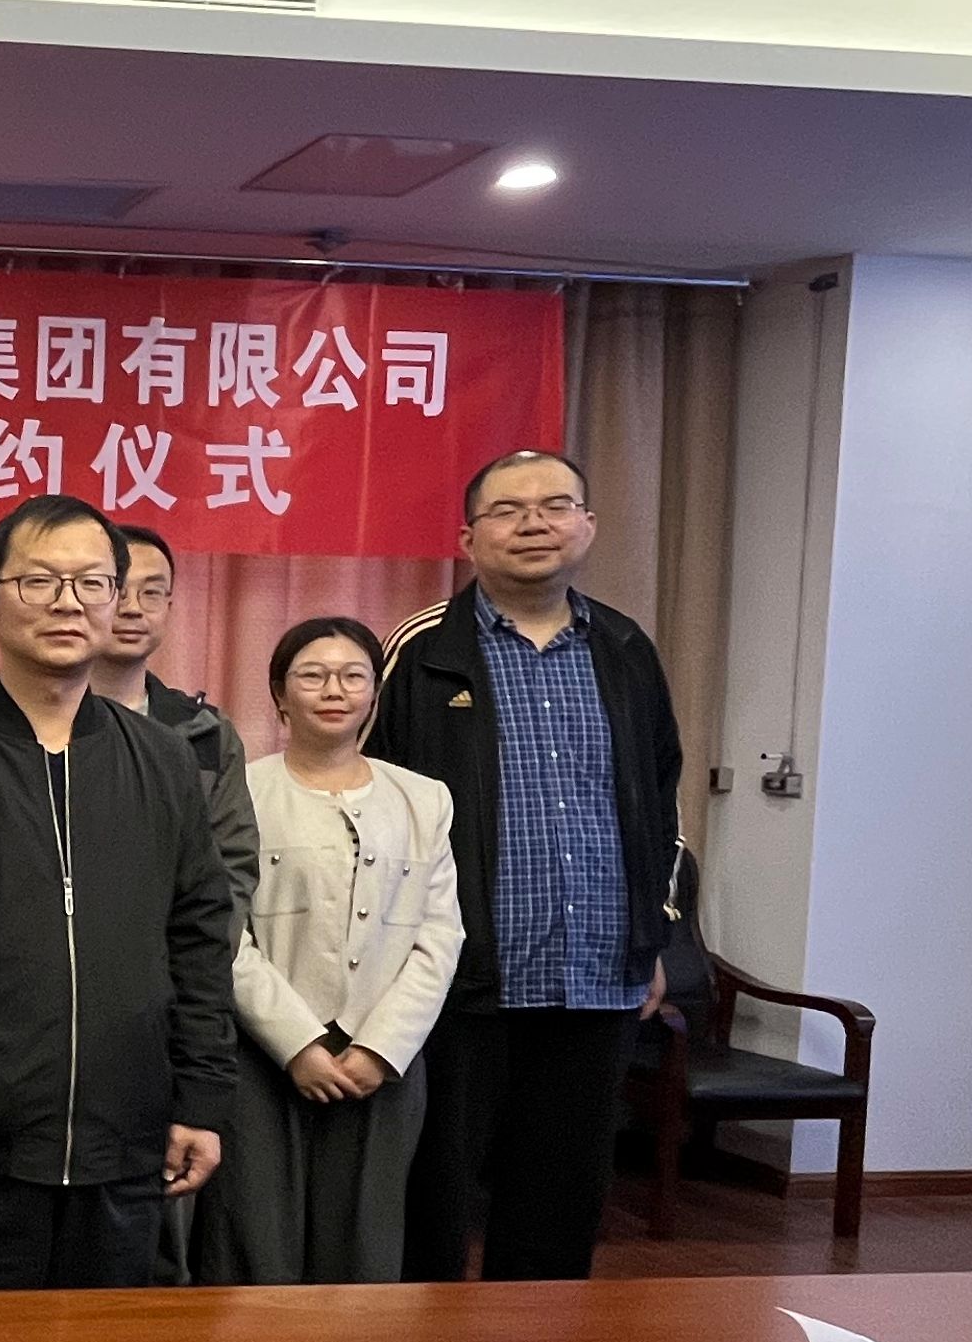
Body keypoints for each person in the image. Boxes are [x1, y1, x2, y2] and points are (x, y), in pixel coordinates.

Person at [0, 494, 239, 1291]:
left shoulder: (164, 759)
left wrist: (202, 1099)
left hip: (126, 1140)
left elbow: (200, 935)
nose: (69, 602)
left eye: (92, 583)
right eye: (40, 581)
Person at [372, 449, 686, 1283]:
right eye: (509, 510)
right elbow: (368, 800)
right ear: (468, 538)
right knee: (434, 1196)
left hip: (596, 973)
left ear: (588, 525)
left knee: (560, 1200)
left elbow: (661, 796)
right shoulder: (422, 648)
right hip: (459, 974)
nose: (534, 524)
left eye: (556, 506)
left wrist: (653, 932)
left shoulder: (626, 647)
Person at [194, 618, 464, 1288]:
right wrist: (298, 1044)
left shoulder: (424, 798)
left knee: (365, 1249)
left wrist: (380, 1048)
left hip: (383, 1058)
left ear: (375, 693)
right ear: (279, 694)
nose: (334, 691)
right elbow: (223, 934)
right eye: (312, 676)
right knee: (256, 1247)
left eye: (353, 677)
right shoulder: (239, 791)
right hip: (260, 1055)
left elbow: (440, 935)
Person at [98, 523, 262, 1281]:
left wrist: (169, 970)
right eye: (119, 587)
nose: (134, 607)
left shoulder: (203, 735)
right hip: (41, 1014)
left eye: (153, 592)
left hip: (166, 1011)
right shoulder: (14, 725)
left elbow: (230, 876)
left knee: (158, 1232)